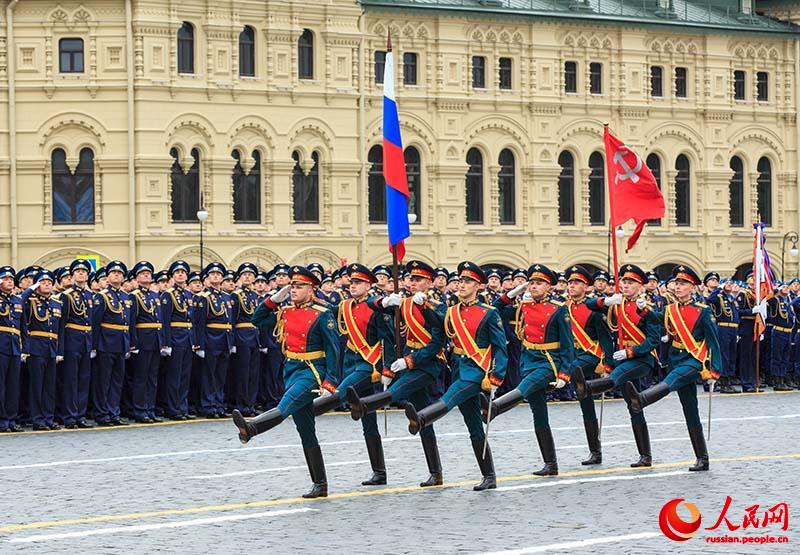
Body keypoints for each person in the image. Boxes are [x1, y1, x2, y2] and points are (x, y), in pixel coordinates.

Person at [233, 266, 341, 498]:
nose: (293, 290)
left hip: (312, 371)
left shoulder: (322, 313)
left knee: (286, 405)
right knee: (306, 430)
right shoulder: (287, 310)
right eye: (292, 286)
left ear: (311, 289)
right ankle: (320, 484)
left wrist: (330, 382)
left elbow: (333, 349)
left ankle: (251, 428)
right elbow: (257, 319)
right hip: (292, 369)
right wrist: (273, 300)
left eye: (299, 286)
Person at [405, 262, 508, 491]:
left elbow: (500, 348)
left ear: (478, 286)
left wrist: (497, 376)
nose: (462, 285)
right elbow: (437, 325)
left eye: (468, 281)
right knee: (473, 425)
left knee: (450, 397)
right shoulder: (451, 311)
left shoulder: (489, 313)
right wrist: (424, 308)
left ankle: (421, 418)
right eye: (460, 281)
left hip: (476, 372)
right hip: (459, 367)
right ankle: (489, 475)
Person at [345, 260, 447, 487]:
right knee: (423, 419)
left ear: (429, 283)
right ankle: (435, 472)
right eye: (411, 278)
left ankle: (363, 405)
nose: (412, 283)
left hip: (428, 365)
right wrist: (385, 300)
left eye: (418, 279)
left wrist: (409, 359)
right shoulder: (404, 303)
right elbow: (372, 304)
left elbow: (438, 341)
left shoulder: (438, 305)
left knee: (398, 390)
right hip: (407, 362)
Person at [626, 265, 722, 472]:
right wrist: (643, 308)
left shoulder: (702, 312)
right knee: (690, 411)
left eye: (683, 284)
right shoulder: (670, 309)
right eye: (676, 283)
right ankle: (702, 458)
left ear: (692, 288)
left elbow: (713, 341)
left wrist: (715, 369)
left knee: (672, 380)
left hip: (694, 360)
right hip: (676, 358)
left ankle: (641, 399)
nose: (678, 287)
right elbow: (656, 319)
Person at [486, 264, 573, 476]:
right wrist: (512, 293)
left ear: (549, 287)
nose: (534, 287)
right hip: (528, 359)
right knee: (539, 414)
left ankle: (495, 408)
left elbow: (568, 343)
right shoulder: (522, 305)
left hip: (548, 362)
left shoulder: (558, 308)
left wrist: (564, 373)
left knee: (525, 386)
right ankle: (550, 464)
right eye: (532, 283)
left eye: (539, 283)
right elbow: (494, 309)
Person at [572, 265, 660, 467]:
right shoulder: (615, 304)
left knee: (614, 378)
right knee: (634, 405)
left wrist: (631, 352)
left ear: (640, 286)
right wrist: (607, 300)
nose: (626, 285)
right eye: (624, 282)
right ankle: (645, 456)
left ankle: (586, 388)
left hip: (641, 359)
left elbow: (653, 340)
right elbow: (591, 305)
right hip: (623, 358)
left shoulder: (646, 308)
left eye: (631, 283)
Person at [313, 263, 394, 486]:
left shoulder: (378, 306)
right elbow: (327, 311)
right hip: (351, 362)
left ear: (369, 285)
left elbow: (388, 339)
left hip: (370, 366)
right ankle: (379, 472)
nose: (353, 286)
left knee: (341, 392)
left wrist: (387, 368)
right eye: (352, 283)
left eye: (358, 283)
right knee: (368, 419)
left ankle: (308, 410)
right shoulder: (345, 305)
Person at [564, 265, 614, 465]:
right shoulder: (564, 307)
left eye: (576, 283)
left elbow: (606, 339)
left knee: (572, 370)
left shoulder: (594, 309)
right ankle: (595, 451)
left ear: (587, 287)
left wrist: (608, 364)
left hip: (590, 357)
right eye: (570, 282)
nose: (572, 286)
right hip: (573, 356)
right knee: (586, 405)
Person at [20, 270, 64, 431]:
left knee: (49, 386)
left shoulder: (56, 303)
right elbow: (20, 300)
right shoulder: (29, 301)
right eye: (43, 282)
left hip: (51, 347)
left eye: (49, 282)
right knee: (37, 386)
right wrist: (31, 288)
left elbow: (61, 330)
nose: (47, 284)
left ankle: (48, 417)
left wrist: (60, 350)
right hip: (36, 347)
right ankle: (37, 419)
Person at [92, 260, 131, 427]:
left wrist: (128, 344)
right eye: (114, 273)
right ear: (107, 277)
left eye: (120, 273)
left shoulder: (125, 297)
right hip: (106, 343)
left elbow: (127, 322)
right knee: (104, 381)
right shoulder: (101, 297)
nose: (117, 275)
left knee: (116, 380)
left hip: (121, 342)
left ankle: (114, 412)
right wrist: (94, 345)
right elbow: (95, 322)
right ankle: (102, 413)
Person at [58, 259, 95, 429]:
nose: (81, 273)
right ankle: (70, 416)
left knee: (83, 379)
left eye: (84, 271)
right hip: (72, 340)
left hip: (86, 340)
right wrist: (61, 348)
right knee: (71, 380)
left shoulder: (89, 296)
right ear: (72, 276)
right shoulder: (65, 296)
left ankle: (80, 414)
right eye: (78, 271)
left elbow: (92, 322)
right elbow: (62, 323)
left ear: (88, 275)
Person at [194, 262, 233, 418]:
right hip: (211, 339)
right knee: (209, 375)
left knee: (220, 375)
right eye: (212, 274)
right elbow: (199, 323)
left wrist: (231, 341)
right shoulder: (203, 297)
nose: (216, 276)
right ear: (208, 278)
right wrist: (200, 345)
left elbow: (230, 321)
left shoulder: (226, 297)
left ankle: (218, 404)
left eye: (218, 274)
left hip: (224, 339)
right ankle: (208, 405)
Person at [128, 261, 165, 423]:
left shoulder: (155, 295)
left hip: (155, 340)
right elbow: (131, 321)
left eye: (148, 273)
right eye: (142, 273)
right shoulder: (134, 296)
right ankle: (140, 409)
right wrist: (133, 343)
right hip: (143, 339)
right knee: (141, 377)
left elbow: (160, 320)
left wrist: (163, 341)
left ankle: (149, 408)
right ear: (136, 278)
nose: (146, 275)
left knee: (152, 377)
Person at [160, 260, 194, 420]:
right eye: (177, 272)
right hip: (175, 337)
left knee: (185, 376)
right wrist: (166, 342)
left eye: (183, 272)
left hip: (187, 338)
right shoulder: (168, 294)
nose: (180, 274)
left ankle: (182, 407)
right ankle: (173, 408)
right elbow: (165, 320)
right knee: (174, 376)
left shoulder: (188, 295)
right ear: (172, 276)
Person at [230, 263, 261, 416]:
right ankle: (242, 405)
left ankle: (250, 403)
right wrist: (233, 341)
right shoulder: (235, 296)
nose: (247, 277)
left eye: (250, 274)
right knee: (243, 373)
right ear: (240, 278)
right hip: (241, 335)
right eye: (244, 275)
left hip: (254, 335)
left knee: (253, 373)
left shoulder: (255, 295)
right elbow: (232, 319)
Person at [0, 265, 24, 432]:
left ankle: (11, 418)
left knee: (13, 385)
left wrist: (25, 348)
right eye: (5, 279)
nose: (9, 282)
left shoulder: (17, 300)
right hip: (1, 345)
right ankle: (2, 419)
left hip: (15, 347)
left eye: (11, 279)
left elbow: (23, 327)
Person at [706, 277, 740, 394]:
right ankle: (724, 383)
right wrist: (718, 289)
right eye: (727, 283)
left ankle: (729, 380)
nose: (730, 285)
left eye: (731, 283)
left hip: (733, 328)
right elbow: (710, 299)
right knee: (724, 355)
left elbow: (736, 315)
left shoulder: (731, 299)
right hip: (723, 328)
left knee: (731, 355)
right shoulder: (718, 297)